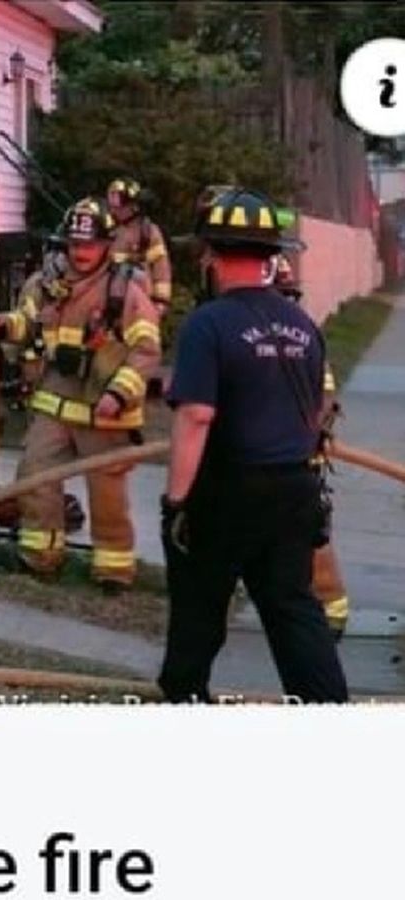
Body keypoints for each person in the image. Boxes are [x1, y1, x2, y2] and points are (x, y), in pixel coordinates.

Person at [158, 186, 348, 703]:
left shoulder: (207, 324)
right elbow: (317, 409)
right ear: (270, 255)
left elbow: (196, 416)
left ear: (211, 256)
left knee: (199, 609)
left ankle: (184, 702)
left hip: (226, 492)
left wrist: (176, 502)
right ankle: (329, 711)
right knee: (294, 610)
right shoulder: (304, 326)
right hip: (295, 488)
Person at [0, 197, 161, 591]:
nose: (80, 253)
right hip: (55, 404)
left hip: (104, 412)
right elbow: (28, 323)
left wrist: (119, 393)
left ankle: (113, 570)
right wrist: (5, 325)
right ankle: (40, 557)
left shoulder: (124, 292)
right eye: (74, 244)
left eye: (89, 245)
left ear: (106, 245)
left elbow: (146, 351)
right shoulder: (47, 286)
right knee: (34, 476)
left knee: (107, 494)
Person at [268, 253, 350, 640]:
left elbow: (325, 400)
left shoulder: (299, 336)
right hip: (277, 459)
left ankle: (331, 612)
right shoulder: (295, 333)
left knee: (308, 540)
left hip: (293, 461)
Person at [106, 177, 173, 317]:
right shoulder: (104, 228)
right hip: (104, 300)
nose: (114, 209)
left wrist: (161, 302)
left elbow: (161, 269)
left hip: (139, 300)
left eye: (118, 203)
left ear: (134, 205)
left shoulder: (148, 232)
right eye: (111, 200)